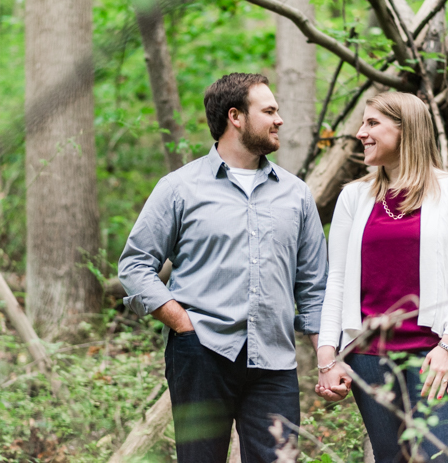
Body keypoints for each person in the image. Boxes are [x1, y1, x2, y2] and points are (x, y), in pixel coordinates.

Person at [118, 73, 328, 463]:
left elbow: (314, 287)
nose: (279, 119)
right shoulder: (179, 188)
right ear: (236, 117)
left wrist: (326, 360)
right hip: (201, 353)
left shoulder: (296, 194)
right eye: (269, 111)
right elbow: (134, 265)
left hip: (274, 362)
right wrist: (181, 322)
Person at [314, 91, 448, 462]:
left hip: (434, 355)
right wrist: (327, 354)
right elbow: (338, 279)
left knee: (437, 457)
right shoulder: (353, 197)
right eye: (362, 123)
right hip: (368, 359)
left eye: (372, 123)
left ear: (406, 129)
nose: (361, 132)